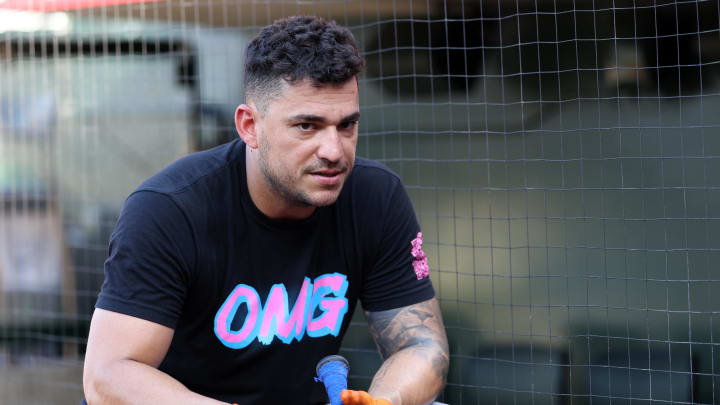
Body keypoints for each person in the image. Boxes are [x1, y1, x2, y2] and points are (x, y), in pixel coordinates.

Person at [82, 15, 448, 405]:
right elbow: (109, 376)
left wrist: (386, 400)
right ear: (249, 126)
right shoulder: (169, 209)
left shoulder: (375, 197)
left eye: (346, 126)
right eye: (307, 126)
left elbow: (423, 346)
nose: (334, 151)